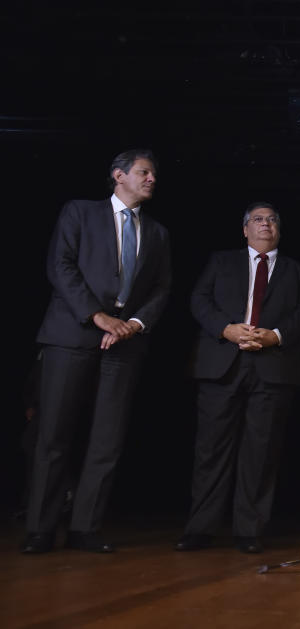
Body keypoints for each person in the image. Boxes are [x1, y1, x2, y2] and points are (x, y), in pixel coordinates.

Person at [23, 149, 172, 554]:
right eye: (144, 172)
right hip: (72, 335)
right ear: (118, 175)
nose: (152, 179)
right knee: (54, 435)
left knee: (107, 439)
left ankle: (84, 528)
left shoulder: (157, 233)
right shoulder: (80, 212)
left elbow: (160, 289)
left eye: (154, 174)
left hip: (124, 343)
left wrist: (133, 325)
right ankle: (40, 528)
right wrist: (97, 316)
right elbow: (61, 266)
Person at [176, 202, 300, 554]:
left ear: (279, 230)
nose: (265, 224)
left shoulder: (297, 271)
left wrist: (275, 335)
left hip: (273, 368)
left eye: (272, 219)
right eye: (258, 219)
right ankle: (200, 528)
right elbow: (198, 299)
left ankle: (248, 530)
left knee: (261, 452)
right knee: (211, 450)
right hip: (221, 364)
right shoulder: (221, 261)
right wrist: (226, 329)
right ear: (245, 230)